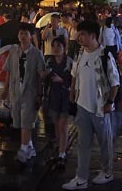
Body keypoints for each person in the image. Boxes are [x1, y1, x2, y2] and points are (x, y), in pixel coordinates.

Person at [62, 20, 119, 190]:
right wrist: (72, 93)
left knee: (105, 142)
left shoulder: (104, 56)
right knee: (83, 144)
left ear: (93, 36)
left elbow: (115, 82)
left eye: (83, 34)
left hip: (101, 108)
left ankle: (107, 172)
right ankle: (81, 178)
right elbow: (74, 75)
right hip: (82, 107)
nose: (79, 37)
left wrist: (110, 102)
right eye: (79, 34)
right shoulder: (80, 54)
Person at [2, 23, 45, 163]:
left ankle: (24, 150)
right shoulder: (14, 52)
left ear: (31, 36)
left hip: (30, 92)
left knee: (27, 121)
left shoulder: (36, 54)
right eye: (21, 34)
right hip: (15, 91)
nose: (23, 37)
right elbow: (9, 72)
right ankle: (30, 147)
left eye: (26, 34)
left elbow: (40, 76)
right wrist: (5, 89)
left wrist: (40, 94)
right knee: (19, 122)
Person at [46, 36, 73, 169]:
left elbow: (75, 80)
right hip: (53, 96)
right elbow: (45, 79)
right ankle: (59, 149)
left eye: (59, 46)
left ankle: (62, 153)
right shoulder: (49, 62)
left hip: (66, 96)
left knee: (63, 125)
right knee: (56, 126)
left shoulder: (69, 62)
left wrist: (62, 81)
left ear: (64, 48)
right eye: (54, 46)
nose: (56, 49)